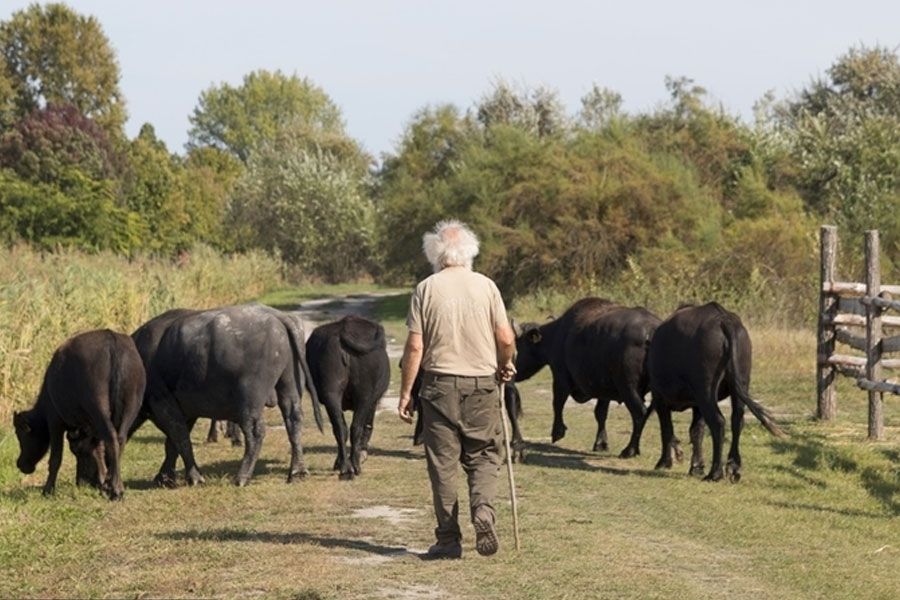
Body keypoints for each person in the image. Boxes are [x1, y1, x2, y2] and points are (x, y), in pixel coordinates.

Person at [398, 220, 516, 560]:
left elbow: (415, 348)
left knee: (443, 464)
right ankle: (483, 511)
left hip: (439, 387)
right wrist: (505, 362)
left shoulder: (426, 288)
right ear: (470, 251)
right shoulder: (487, 286)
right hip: (482, 385)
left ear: (435, 253)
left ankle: (448, 541)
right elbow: (506, 338)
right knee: (483, 455)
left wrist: (406, 394)